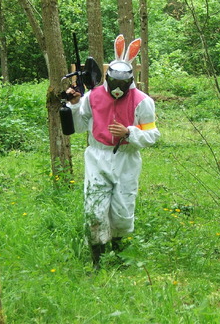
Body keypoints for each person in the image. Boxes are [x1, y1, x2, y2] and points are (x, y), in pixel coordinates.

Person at [66, 34, 160, 269]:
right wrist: (75, 104)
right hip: (97, 157)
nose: (117, 90)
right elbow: (77, 127)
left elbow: (153, 135)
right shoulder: (93, 97)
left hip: (126, 160)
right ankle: (97, 260)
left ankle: (121, 258)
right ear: (108, 79)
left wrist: (129, 133)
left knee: (122, 209)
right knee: (95, 208)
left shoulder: (142, 101)